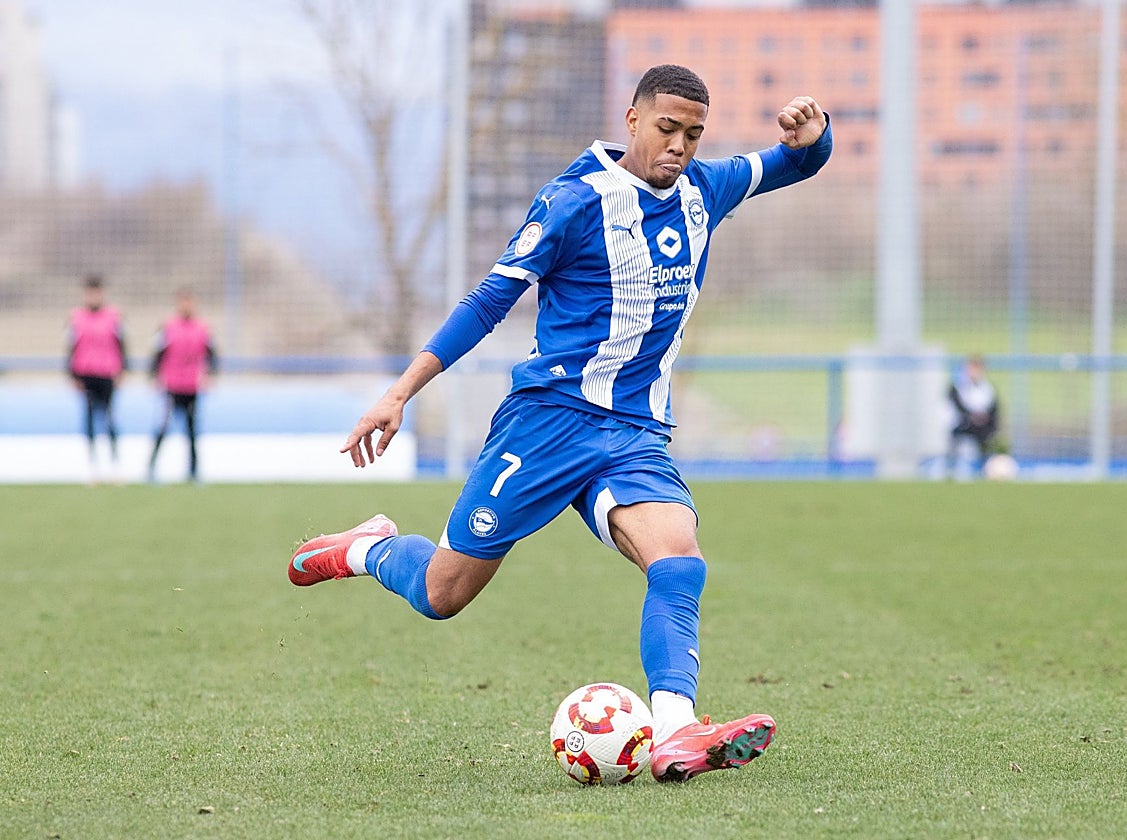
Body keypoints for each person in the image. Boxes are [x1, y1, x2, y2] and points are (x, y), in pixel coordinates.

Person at [289, 65, 832, 782]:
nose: (679, 146)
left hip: (634, 434)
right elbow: (487, 303)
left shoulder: (705, 189)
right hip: (546, 425)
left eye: (694, 135)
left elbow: (796, 163)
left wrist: (815, 136)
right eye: (667, 128)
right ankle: (367, 549)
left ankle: (675, 729)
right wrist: (400, 392)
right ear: (632, 120)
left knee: (678, 561)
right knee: (442, 595)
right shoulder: (574, 202)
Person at [148, 288, 218, 483]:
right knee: (163, 428)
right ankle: (151, 468)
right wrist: (154, 376)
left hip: (192, 386)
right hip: (172, 386)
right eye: (183, 302)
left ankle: (193, 472)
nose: (186, 306)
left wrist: (210, 375)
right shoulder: (168, 327)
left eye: (189, 302)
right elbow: (157, 353)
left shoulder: (203, 328)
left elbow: (212, 354)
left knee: (192, 431)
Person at [67, 274, 127, 483]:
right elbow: (71, 347)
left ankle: (115, 465)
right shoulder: (76, 317)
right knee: (89, 419)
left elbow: (122, 344)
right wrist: (73, 374)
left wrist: (122, 370)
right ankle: (93, 466)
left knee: (110, 419)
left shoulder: (114, 317)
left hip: (107, 373)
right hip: (86, 374)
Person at [946, 355, 999, 481]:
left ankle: (984, 470)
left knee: (985, 439)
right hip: (963, 423)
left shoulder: (988, 389)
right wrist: (971, 416)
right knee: (955, 440)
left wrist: (985, 419)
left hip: (981, 426)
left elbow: (993, 409)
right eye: (971, 369)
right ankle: (951, 469)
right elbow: (957, 405)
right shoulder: (958, 387)